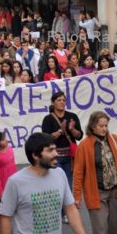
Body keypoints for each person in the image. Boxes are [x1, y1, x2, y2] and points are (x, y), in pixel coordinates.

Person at [0, 133, 97, 234]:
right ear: (35, 155)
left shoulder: (60, 174)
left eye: (55, 149)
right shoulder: (15, 182)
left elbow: (70, 209)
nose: (56, 153)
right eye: (50, 150)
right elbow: (5, 217)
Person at [73, 111, 117, 234]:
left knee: (116, 228)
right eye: (101, 126)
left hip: (116, 191)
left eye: (106, 125)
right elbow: (78, 173)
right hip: (97, 193)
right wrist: (76, 196)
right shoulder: (84, 146)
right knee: (101, 231)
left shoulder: (114, 139)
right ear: (92, 126)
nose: (104, 129)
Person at [41, 91, 83, 223]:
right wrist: (60, 131)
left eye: (64, 100)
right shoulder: (48, 119)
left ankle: (66, 213)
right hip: (55, 158)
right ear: (53, 102)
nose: (62, 102)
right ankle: (58, 212)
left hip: (70, 157)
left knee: (68, 185)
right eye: (59, 100)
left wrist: (71, 129)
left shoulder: (72, 116)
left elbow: (79, 136)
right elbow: (45, 138)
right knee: (56, 184)